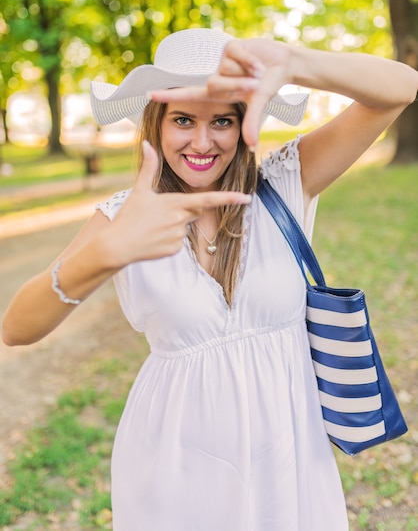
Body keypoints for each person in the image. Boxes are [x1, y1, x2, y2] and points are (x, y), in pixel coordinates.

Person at [2, 27, 417, 531]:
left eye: (222, 119)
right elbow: (17, 328)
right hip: (179, 462)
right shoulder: (125, 216)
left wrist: (292, 61)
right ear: (155, 125)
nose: (202, 141)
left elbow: (400, 87)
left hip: (287, 454)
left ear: (246, 122)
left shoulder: (286, 184)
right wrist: (105, 252)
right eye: (182, 120)